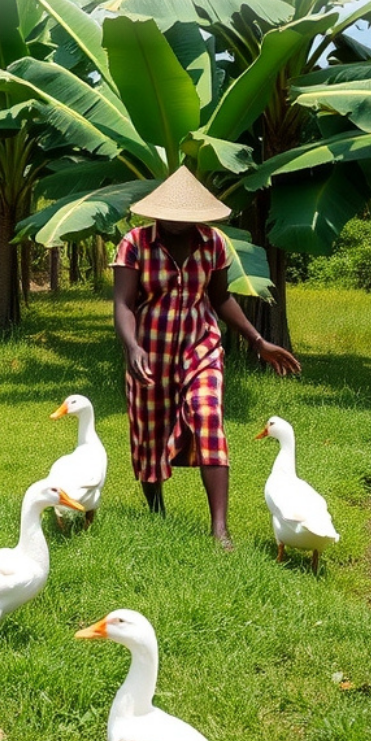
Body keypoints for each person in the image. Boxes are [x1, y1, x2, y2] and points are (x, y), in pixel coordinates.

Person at [112, 167, 300, 548]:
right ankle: (155, 512)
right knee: (150, 432)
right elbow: (123, 303)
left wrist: (257, 341)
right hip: (149, 352)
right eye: (171, 216)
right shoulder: (134, 243)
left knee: (208, 417)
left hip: (201, 347)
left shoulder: (214, 243)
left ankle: (220, 530)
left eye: (188, 217)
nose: (179, 223)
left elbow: (221, 298)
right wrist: (132, 347)